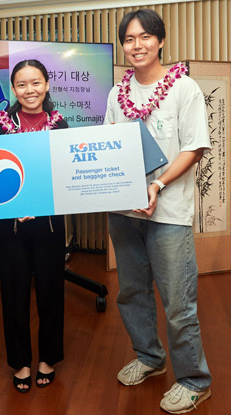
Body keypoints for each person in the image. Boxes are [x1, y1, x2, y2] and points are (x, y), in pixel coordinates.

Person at [104, 9, 212, 414]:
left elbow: (195, 146)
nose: (137, 45)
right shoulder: (118, 94)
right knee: (131, 292)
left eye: (146, 37)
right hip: (124, 211)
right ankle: (149, 357)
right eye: (129, 39)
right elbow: (109, 145)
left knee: (178, 301)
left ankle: (193, 380)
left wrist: (157, 185)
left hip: (167, 212)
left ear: (161, 41)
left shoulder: (184, 89)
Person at [0, 59, 68, 393]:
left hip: (49, 223)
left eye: (36, 83)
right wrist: (14, 206)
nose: (29, 90)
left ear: (47, 85)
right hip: (13, 227)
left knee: (51, 292)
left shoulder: (60, 125)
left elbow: (65, 175)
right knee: (14, 294)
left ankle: (48, 358)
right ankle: (20, 361)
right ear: (14, 89)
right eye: (22, 85)